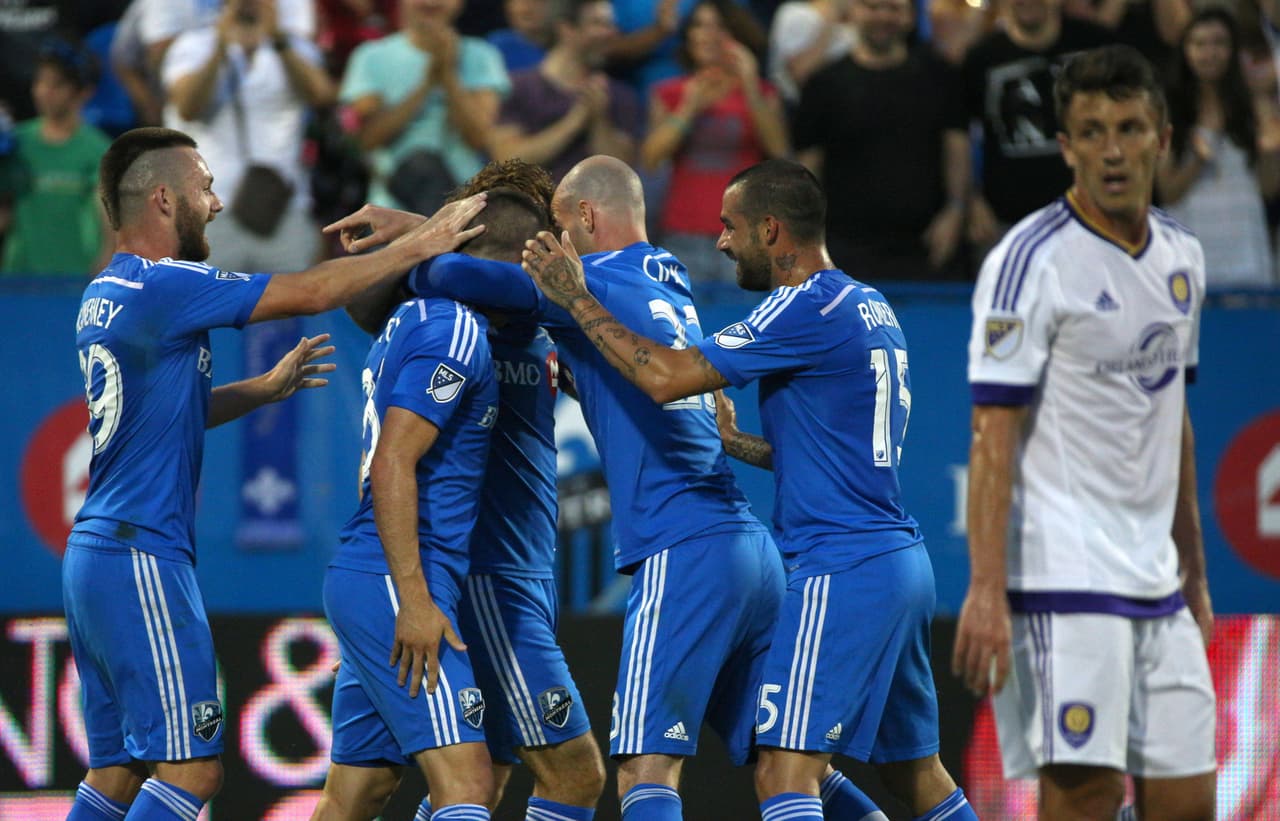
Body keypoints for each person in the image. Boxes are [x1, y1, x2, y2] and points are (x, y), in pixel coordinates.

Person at [330, 156, 805, 821]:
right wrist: (421, 234)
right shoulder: (661, 275)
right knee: (552, 775)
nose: (544, 254)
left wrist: (412, 241)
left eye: (551, 234)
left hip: (635, 554)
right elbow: (465, 273)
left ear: (584, 219)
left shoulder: (564, 301)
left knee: (426, 784)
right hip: (504, 573)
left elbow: (466, 268)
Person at [518, 158, 976, 821]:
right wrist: (736, 445)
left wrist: (575, 298)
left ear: (771, 229)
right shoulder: (867, 303)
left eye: (731, 228)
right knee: (915, 775)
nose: (722, 242)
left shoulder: (801, 305)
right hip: (898, 560)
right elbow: (826, 450)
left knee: (783, 775)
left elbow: (669, 376)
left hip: (837, 568)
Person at [62, 125, 486, 821]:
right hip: (141, 555)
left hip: (97, 555)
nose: (219, 204)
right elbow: (313, 288)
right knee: (190, 773)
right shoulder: (168, 283)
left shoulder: (105, 292)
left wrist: (261, 389)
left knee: (113, 772)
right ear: (164, 199)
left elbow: (163, 414)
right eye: (204, 187)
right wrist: (421, 242)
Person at [952, 45, 1216, 821]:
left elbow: (1176, 424)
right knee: (1086, 799)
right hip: (1061, 584)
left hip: (1158, 585)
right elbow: (990, 433)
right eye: (1092, 131)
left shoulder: (1183, 257)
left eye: (1130, 128)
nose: (1112, 150)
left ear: (1161, 138)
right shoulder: (1028, 262)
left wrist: (1194, 576)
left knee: (1189, 802)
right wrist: (985, 588)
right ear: (1065, 146)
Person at [334, 160, 607, 821]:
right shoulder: (471, 320)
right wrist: (429, 240)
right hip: (486, 577)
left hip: (467, 572)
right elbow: (451, 273)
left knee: (369, 791)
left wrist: (420, 236)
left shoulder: (508, 322)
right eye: (548, 237)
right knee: (569, 776)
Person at [794, 0, 970, 280]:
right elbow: (808, 167)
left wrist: (955, 211)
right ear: (853, 13)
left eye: (894, 8)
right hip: (844, 247)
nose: (883, 17)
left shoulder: (940, 76)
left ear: (911, 17)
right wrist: (811, 235)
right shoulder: (823, 84)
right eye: (873, 7)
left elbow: (957, 148)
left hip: (928, 244)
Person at [161, 0, 337, 272]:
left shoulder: (294, 46)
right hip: (208, 209)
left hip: (279, 207)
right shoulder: (193, 45)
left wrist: (278, 39)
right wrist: (220, 46)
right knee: (209, 309)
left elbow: (322, 96)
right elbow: (187, 107)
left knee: (291, 306)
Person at [640, 0, 788, 284]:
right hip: (683, 230)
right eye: (699, 25)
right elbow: (651, 158)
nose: (708, 34)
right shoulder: (669, 93)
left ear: (735, 35)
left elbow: (779, 149)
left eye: (718, 26)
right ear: (689, 35)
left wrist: (750, 84)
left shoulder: (762, 93)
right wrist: (689, 108)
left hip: (748, 233)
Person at [961, 0, 1112, 252]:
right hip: (1008, 225)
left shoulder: (1097, 45)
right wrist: (972, 200)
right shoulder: (981, 59)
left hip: (1094, 219)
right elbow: (959, 135)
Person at [339, 0, 510, 215]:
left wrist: (448, 75)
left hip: (466, 205)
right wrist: (427, 84)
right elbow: (368, 139)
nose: (430, 3)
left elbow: (479, 137)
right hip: (393, 209)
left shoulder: (482, 55)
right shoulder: (370, 56)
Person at [1157, 6, 1280, 286]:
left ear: (1233, 50)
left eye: (1219, 43)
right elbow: (1168, 192)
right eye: (1199, 43)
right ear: (1185, 50)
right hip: (1191, 258)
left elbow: (1268, 190)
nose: (1209, 53)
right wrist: (1198, 161)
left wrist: (1272, 154)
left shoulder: (1254, 107)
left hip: (1246, 253)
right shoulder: (1170, 112)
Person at [489, 0, 642, 182]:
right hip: (532, 207)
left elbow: (621, 173)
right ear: (566, 29)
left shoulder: (619, 94)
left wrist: (598, 119)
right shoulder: (518, 87)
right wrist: (575, 120)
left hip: (594, 208)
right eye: (599, 24)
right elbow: (506, 162)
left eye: (611, 25)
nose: (611, 33)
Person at [1, 38, 112, 277]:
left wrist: (103, 271)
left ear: (83, 92)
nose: (43, 92)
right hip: (18, 278)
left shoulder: (99, 150)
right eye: (40, 82)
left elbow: (110, 223)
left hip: (75, 279)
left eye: (56, 85)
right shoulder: (15, 142)